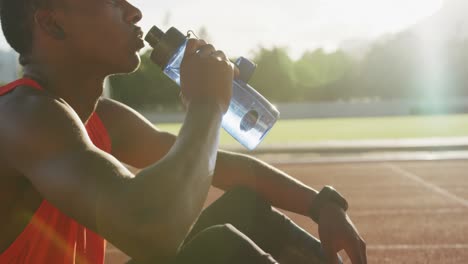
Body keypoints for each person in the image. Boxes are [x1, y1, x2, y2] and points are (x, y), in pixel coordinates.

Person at [0, 0, 367, 263]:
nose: (135, 11)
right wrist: (207, 104)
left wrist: (321, 204)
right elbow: (150, 228)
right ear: (52, 24)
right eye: (112, 1)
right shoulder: (22, 116)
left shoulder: (101, 118)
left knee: (244, 210)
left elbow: (220, 167)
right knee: (223, 249)